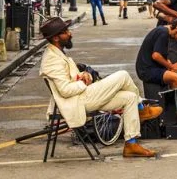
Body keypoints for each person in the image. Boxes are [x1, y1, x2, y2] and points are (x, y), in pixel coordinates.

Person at [38, 17, 162, 158]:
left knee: (130, 98)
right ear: (55, 38)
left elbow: (70, 78)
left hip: (82, 96)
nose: (70, 33)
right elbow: (65, 90)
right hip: (78, 101)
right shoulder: (51, 59)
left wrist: (83, 75)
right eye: (65, 32)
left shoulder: (57, 53)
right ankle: (141, 109)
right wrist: (83, 82)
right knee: (123, 75)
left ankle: (131, 144)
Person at [135, 19, 177, 90]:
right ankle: (176, 100)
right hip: (146, 70)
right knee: (176, 78)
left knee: (175, 73)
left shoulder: (163, 31)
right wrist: (171, 66)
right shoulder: (163, 33)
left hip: (150, 67)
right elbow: (156, 56)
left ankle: (171, 98)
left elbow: (162, 55)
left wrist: (171, 66)